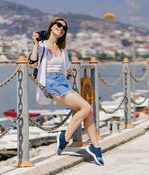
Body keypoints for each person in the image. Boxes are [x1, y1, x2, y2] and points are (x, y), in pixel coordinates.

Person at [28, 18, 104, 166]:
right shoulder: (42, 46)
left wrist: (70, 72)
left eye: (64, 27)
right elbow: (33, 65)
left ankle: (96, 147)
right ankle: (65, 137)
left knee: (88, 111)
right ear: (51, 27)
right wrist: (36, 45)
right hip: (50, 83)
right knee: (86, 107)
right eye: (58, 25)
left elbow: (67, 67)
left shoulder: (62, 50)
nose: (61, 28)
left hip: (62, 82)